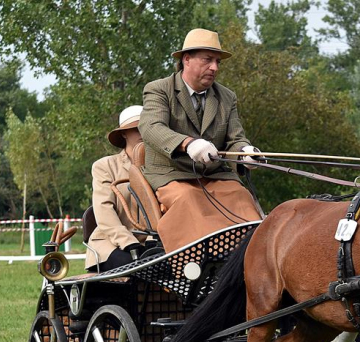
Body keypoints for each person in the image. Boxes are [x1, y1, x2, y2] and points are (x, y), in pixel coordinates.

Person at [138, 28, 263, 253]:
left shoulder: (227, 96)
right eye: (208, 60)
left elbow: (235, 138)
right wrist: (188, 143)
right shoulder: (159, 90)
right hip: (173, 174)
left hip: (215, 174)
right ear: (186, 59)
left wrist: (245, 152)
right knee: (188, 200)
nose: (214, 67)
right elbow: (150, 127)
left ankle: (250, 260)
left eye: (217, 62)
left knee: (241, 196)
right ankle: (198, 266)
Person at [85, 105, 148, 272]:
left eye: (146, 127)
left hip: (151, 245)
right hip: (110, 243)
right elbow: (104, 211)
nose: (142, 133)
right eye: (136, 129)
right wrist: (129, 243)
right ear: (123, 133)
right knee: (139, 268)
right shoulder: (105, 166)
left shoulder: (161, 168)